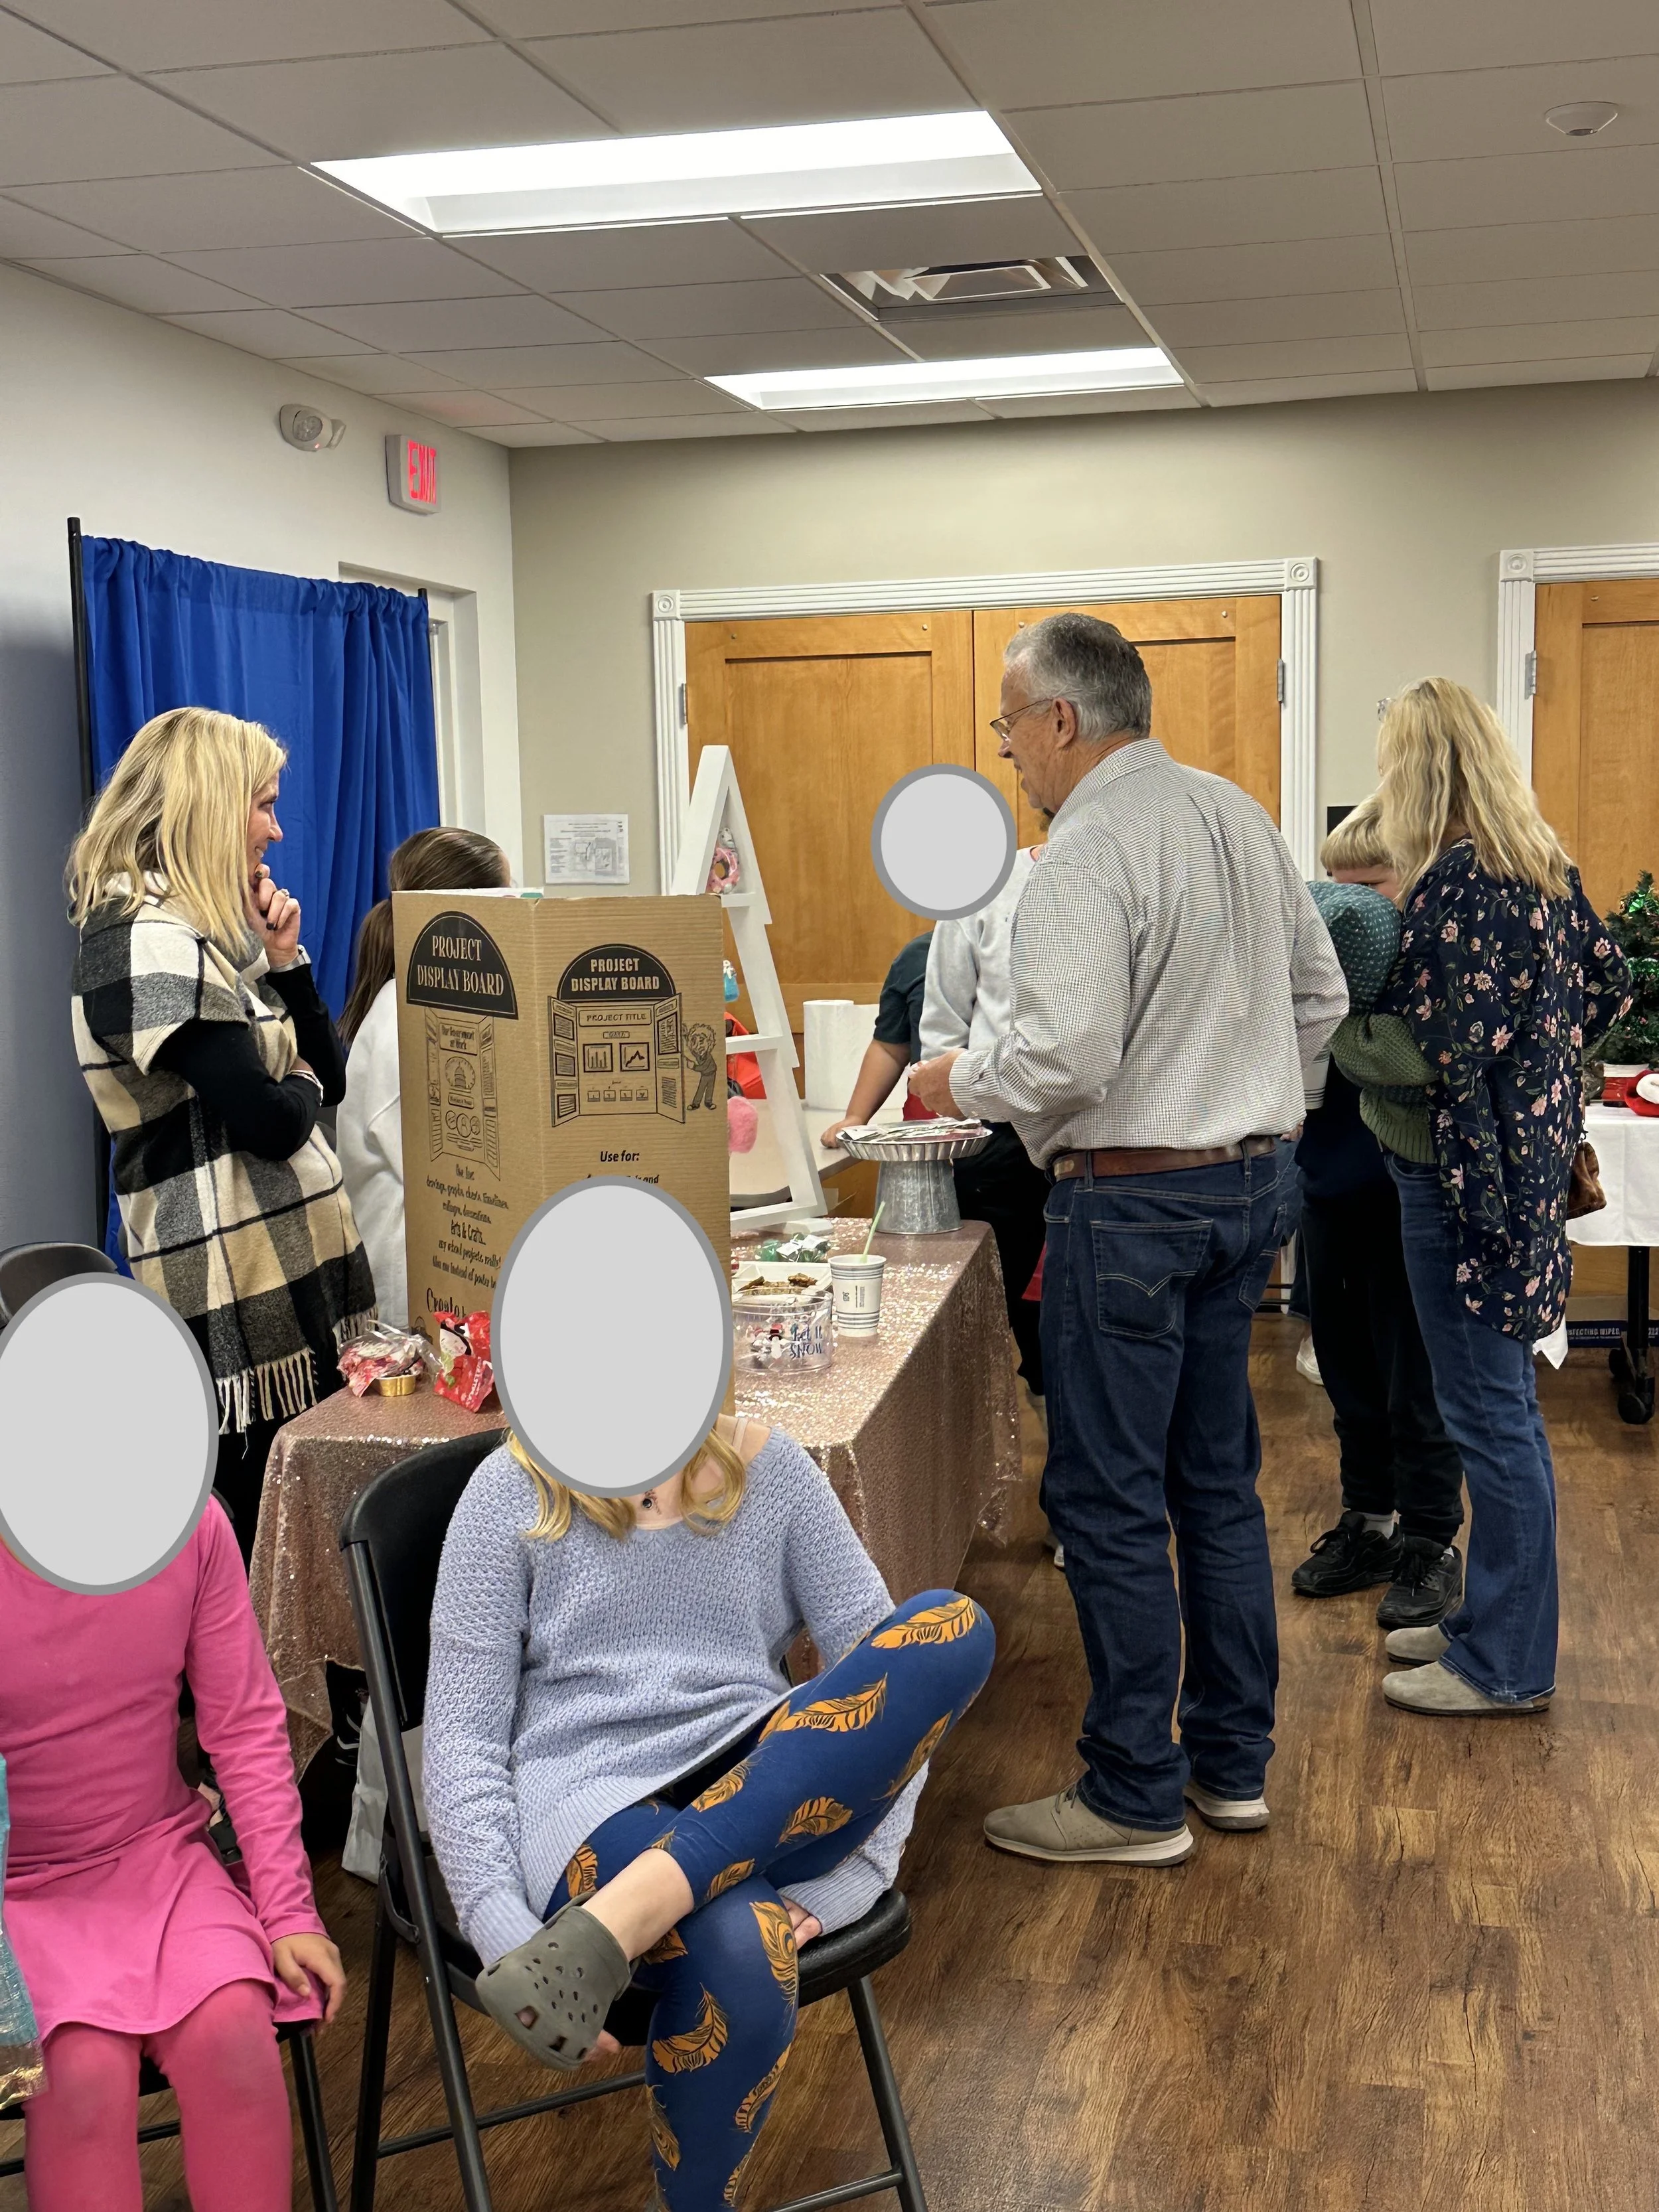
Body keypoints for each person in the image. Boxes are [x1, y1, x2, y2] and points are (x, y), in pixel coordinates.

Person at [908, 611, 1346, 1862]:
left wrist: (958, 1076)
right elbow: (1323, 996)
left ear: (1062, 719)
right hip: (1251, 1192)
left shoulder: (1085, 848)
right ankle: (1229, 1766)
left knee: (1103, 1500)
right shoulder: (1241, 815)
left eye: (1009, 730)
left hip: (1132, 1205)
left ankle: (1132, 1793)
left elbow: (1064, 1053)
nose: (1009, 759)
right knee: (1215, 1485)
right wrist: (1252, 1101)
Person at [423, 1414, 994, 2212]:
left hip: (772, 1777)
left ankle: (632, 1912)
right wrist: (503, 1927)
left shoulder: (777, 1470)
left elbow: (889, 1691)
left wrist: (854, 1879)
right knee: (747, 1954)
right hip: (594, 1795)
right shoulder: (508, 1492)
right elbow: (460, 1745)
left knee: (951, 1628)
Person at [1334, 679, 1628, 1716]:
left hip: (1463, 1180)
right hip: (1522, 1172)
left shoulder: (1461, 883)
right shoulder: (1542, 865)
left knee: (1489, 1421)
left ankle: (1506, 1664)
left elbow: (1426, 1051)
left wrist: (1327, 1029)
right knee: (1504, 1416)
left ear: (1422, 767)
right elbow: (1612, 978)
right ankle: (1488, 1627)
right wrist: (1543, 1068)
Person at [69, 707, 376, 1560]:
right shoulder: (139, 941)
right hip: (229, 1290)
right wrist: (300, 1085)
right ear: (208, 804)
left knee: (297, 1525)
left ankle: (297, 1690)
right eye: (264, 805)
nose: (276, 829)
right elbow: (272, 1124)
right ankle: (255, 1697)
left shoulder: (208, 941)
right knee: (259, 1533)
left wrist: (286, 962)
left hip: (277, 1271)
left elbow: (328, 1081)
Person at [0, 1500, 346, 2211]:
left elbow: (246, 1726)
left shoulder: (186, 1521)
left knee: (234, 2032)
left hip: (160, 1856)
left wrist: (288, 1912)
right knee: (78, 2073)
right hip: (16, 1895)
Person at [1291, 799, 1466, 1630]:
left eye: (1369, 886)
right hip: (1329, 1195)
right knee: (1347, 1370)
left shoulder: (1428, 978)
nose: (1347, 907)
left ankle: (1431, 1537)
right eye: (1334, 886)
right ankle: (1369, 1519)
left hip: (1410, 1199)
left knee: (1414, 1382)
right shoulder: (1317, 984)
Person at [337, 826, 514, 1329]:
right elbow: (449, 1166)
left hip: (445, 1267)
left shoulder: (431, 1008)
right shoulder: (403, 1019)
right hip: (408, 1286)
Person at [920, 846, 1049, 1410]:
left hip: (1106, 1141)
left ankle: (1075, 1469)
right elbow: (943, 1023)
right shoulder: (981, 889)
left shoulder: (1127, 868)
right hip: (999, 1139)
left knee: (1079, 1326)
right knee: (1004, 1313)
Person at [822, 928, 934, 1145]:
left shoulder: (1015, 952)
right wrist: (856, 1116)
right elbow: (890, 1046)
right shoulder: (919, 954)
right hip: (925, 1130)